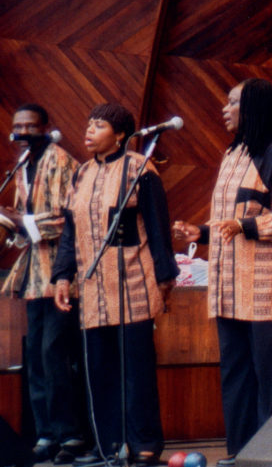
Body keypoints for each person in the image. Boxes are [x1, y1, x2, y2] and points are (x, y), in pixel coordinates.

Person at [173, 79, 272, 465]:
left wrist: (245, 227)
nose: (224, 109)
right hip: (229, 287)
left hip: (266, 291)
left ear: (254, 108)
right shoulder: (232, 155)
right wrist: (200, 232)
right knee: (235, 374)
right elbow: (228, 220)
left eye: (233, 102)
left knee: (268, 382)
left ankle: (271, 456)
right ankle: (241, 453)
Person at [50, 103, 178, 466]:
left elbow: (157, 226)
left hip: (133, 283)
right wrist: (62, 275)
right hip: (92, 291)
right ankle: (109, 446)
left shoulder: (140, 169)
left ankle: (145, 444)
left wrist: (165, 275)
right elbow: (71, 232)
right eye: (89, 123)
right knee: (100, 370)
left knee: (136, 370)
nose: (89, 130)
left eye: (100, 125)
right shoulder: (81, 173)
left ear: (120, 135)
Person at [0, 105, 86, 464]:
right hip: (33, 275)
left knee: (55, 355)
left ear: (46, 128)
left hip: (61, 275)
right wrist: (12, 225)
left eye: (29, 125)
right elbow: (23, 223)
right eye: (17, 125)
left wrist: (21, 221)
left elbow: (70, 218)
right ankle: (45, 432)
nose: (22, 131)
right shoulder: (22, 164)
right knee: (35, 356)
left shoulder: (62, 161)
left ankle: (70, 434)